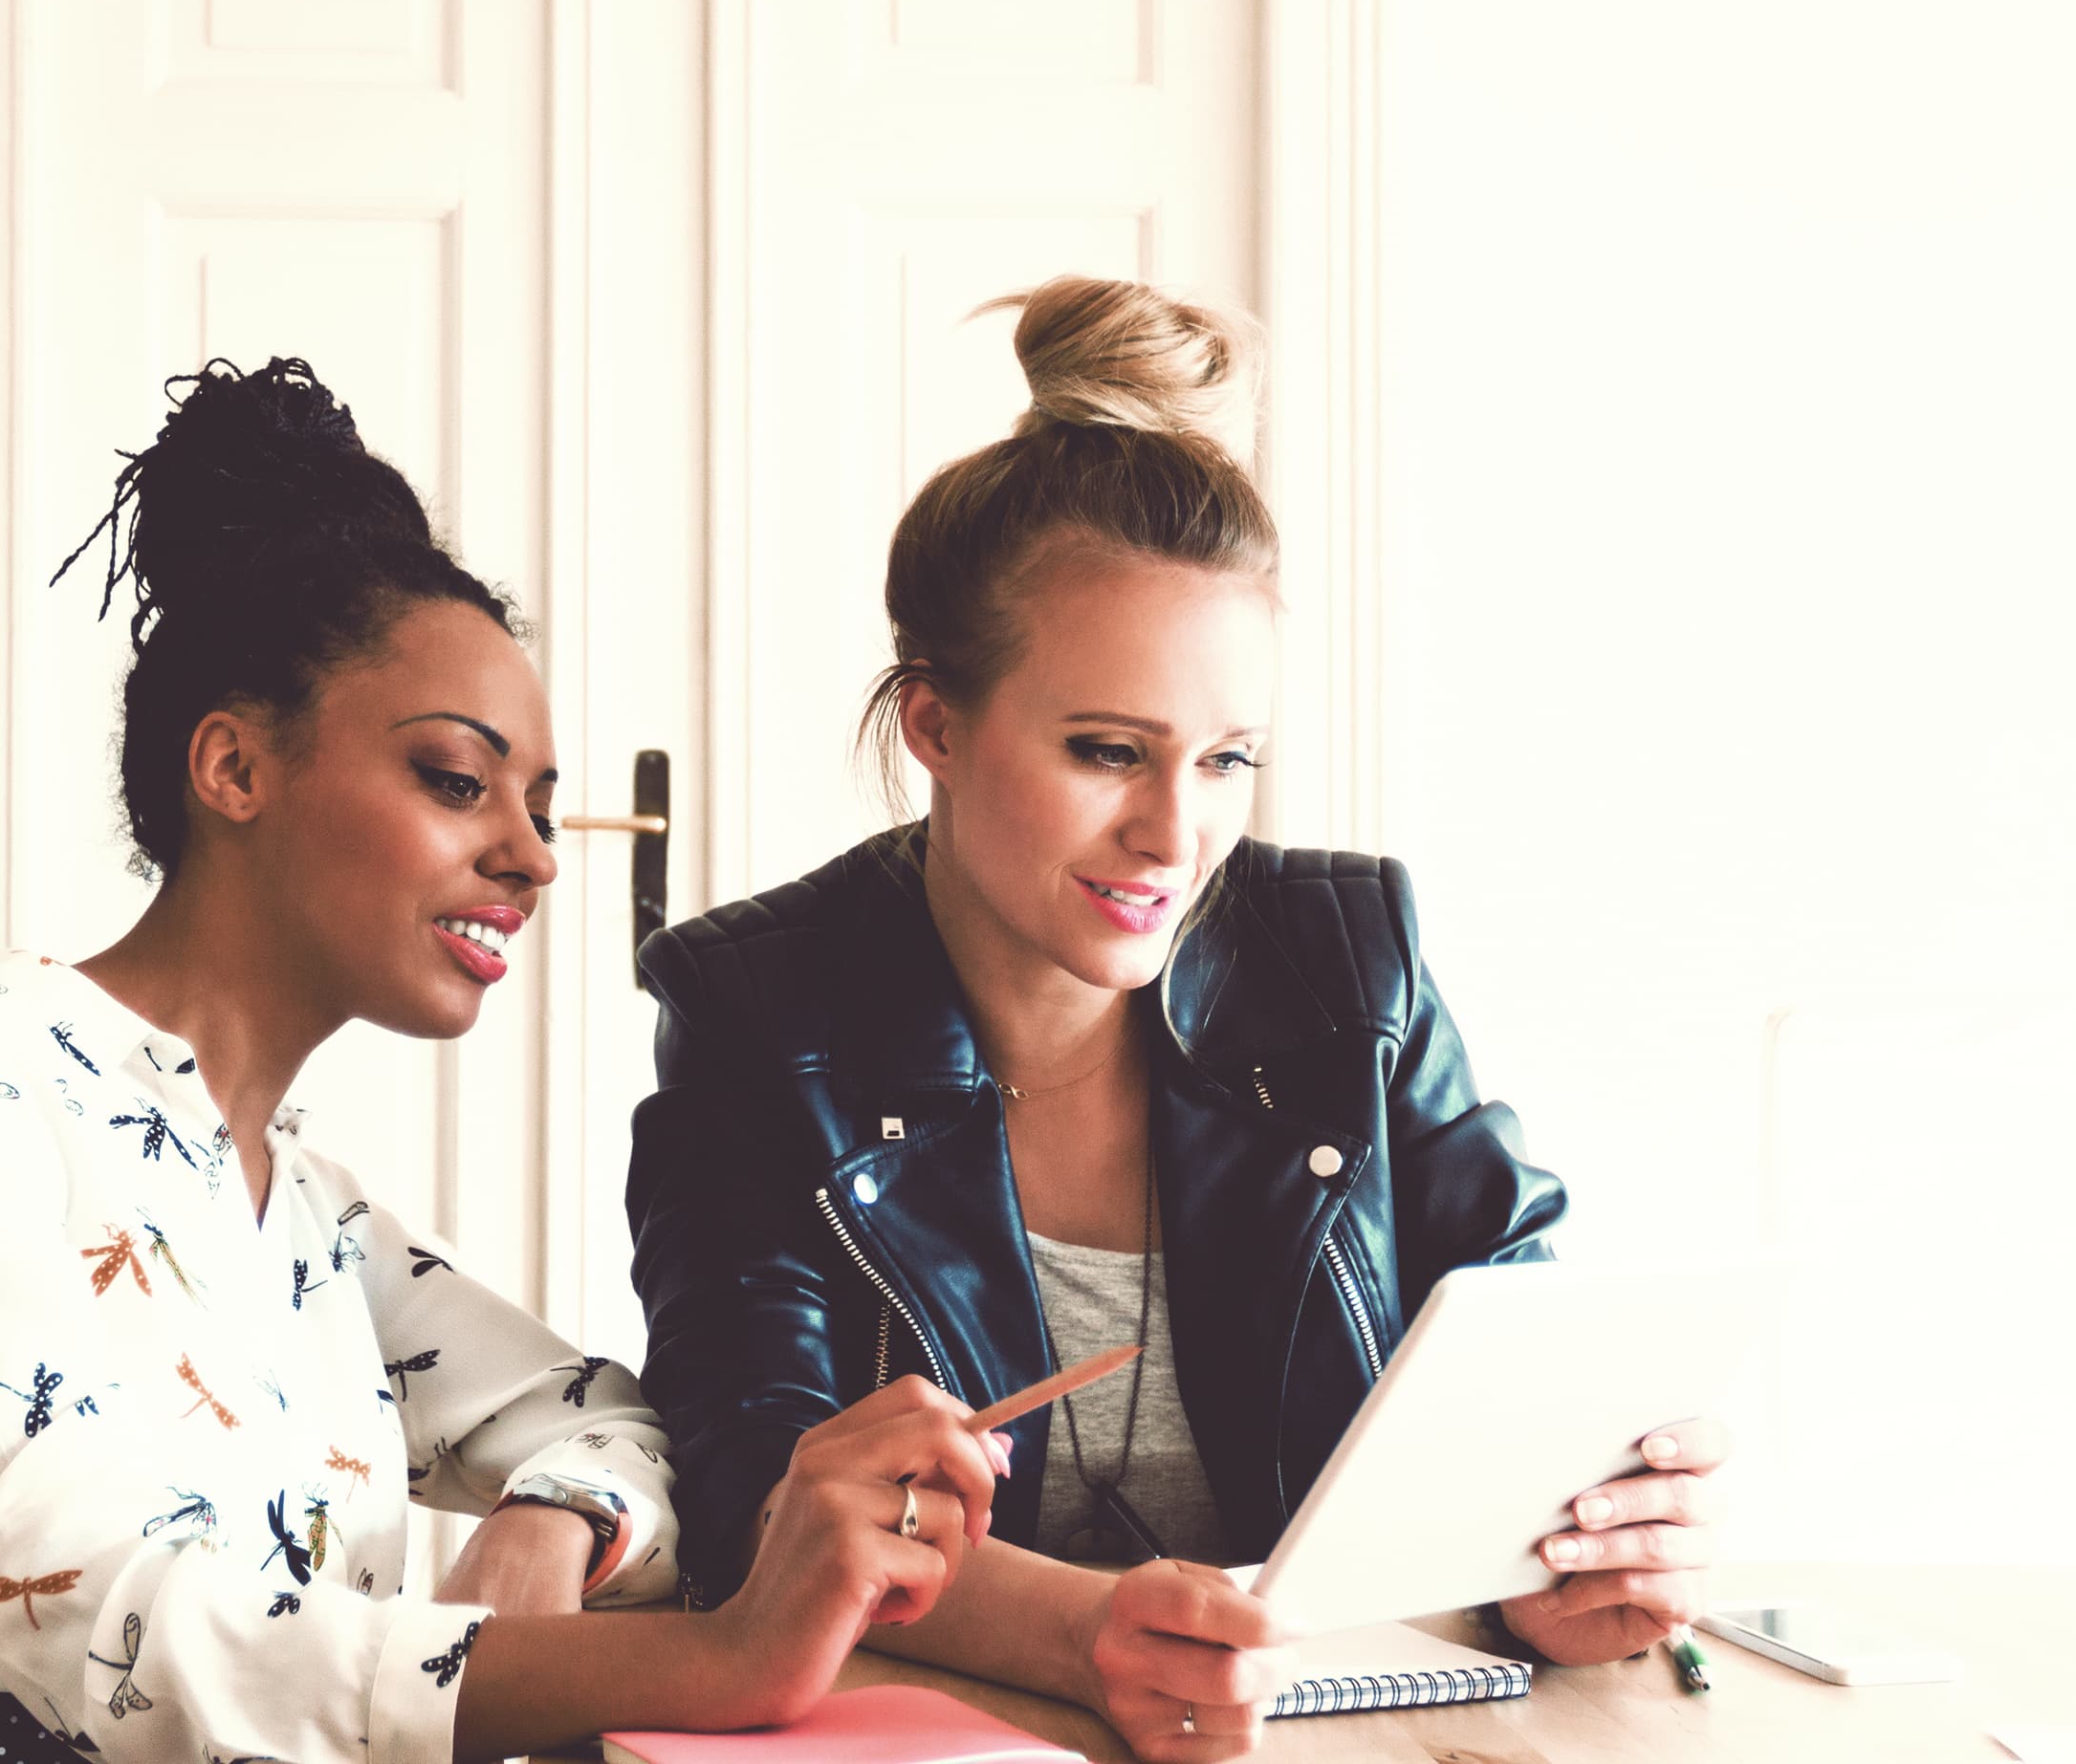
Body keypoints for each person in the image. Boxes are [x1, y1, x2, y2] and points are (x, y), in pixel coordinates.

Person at [0, 359, 995, 1764]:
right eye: (454, 778)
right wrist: (716, 1661)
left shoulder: (313, 1220)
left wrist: (564, 1514)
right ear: (234, 769)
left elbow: (608, 1414)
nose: (533, 857)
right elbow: (99, 1616)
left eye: (541, 807)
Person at [623, 279, 1732, 1761]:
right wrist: (1084, 1636)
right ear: (934, 728)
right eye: (1106, 753)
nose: (1173, 833)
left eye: (1227, 760)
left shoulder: (1347, 958)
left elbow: (1519, 1346)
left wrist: (1572, 1551)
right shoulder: (757, 1007)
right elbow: (756, 1489)